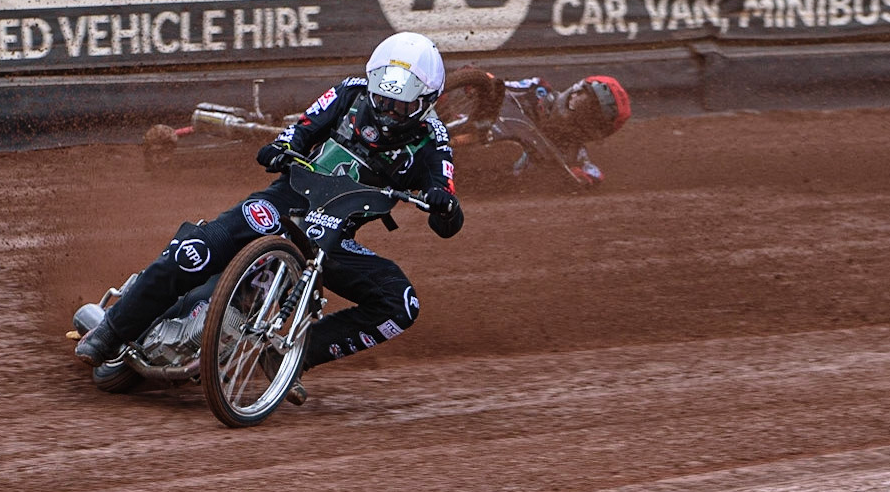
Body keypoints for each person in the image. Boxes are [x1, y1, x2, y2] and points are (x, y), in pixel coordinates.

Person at [75, 31, 464, 404]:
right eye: (382, 101)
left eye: (402, 106)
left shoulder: (434, 140)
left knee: (402, 304)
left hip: (332, 239)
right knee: (196, 249)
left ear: (429, 100)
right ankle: (111, 330)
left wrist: (444, 207)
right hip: (287, 200)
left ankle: (293, 355)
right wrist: (282, 147)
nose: (388, 114)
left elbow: (446, 205)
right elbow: (302, 129)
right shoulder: (350, 93)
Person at [499, 74, 631, 186]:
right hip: (488, 126)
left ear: (594, 130)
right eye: (581, 100)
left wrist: (576, 175)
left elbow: (594, 176)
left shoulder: (573, 155)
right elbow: (497, 86)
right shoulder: (537, 89)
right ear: (576, 90)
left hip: (499, 179)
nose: (575, 104)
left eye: (589, 114)